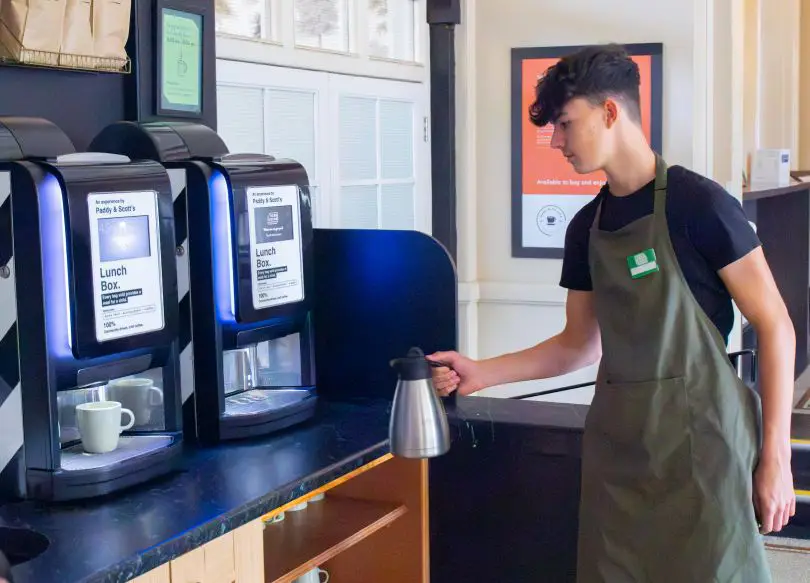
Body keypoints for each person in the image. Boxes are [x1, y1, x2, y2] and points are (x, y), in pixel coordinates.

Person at [429, 44, 796, 582]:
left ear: (609, 112)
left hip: (704, 448)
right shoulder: (586, 228)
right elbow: (579, 344)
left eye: (564, 123)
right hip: (619, 455)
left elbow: (775, 325)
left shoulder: (702, 206)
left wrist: (776, 456)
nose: (555, 141)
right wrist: (482, 372)